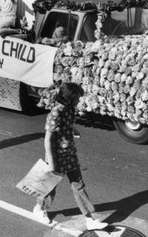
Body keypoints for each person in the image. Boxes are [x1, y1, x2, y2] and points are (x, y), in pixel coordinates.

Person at [33, 83, 108, 230]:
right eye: (78, 98)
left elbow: (67, 125)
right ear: (70, 98)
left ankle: (89, 218)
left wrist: (73, 129)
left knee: (78, 186)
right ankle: (40, 208)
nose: (79, 101)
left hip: (70, 154)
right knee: (50, 186)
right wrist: (51, 163)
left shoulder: (70, 109)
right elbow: (48, 139)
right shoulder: (55, 113)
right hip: (57, 156)